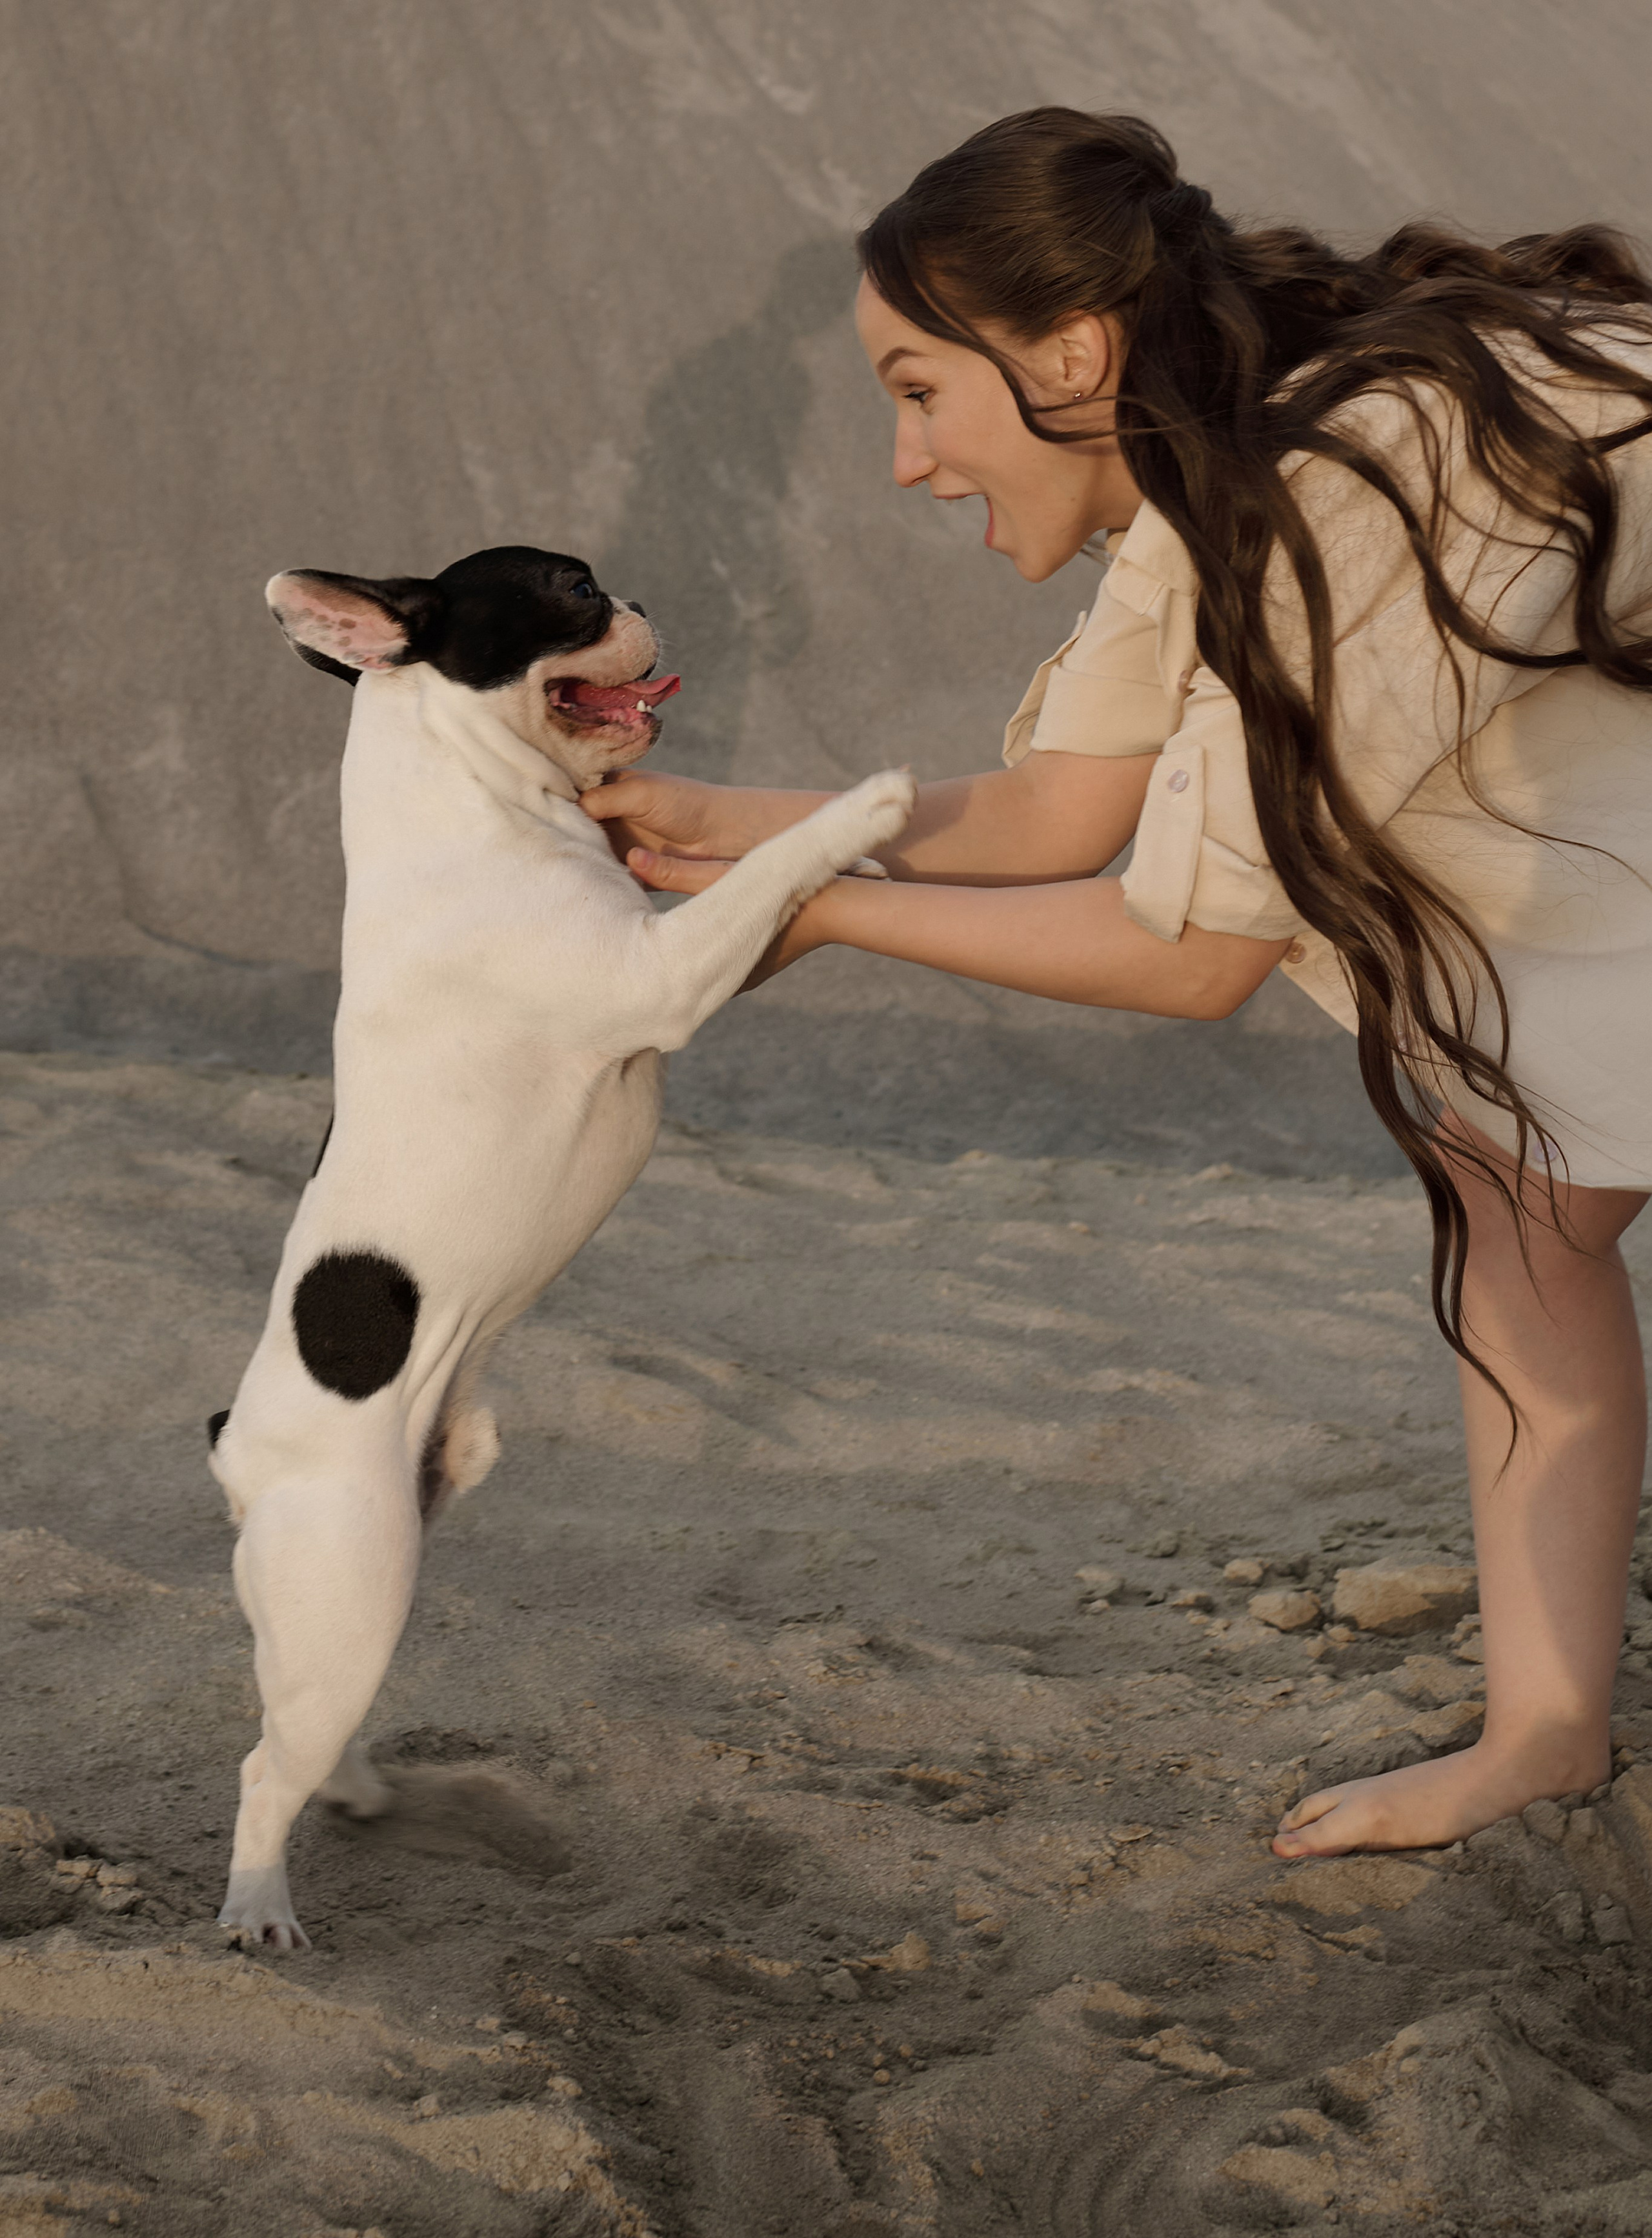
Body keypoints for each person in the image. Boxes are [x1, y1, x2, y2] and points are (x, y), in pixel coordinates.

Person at [583, 107, 1652, 1860]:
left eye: (921, 389)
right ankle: (1546, 1729)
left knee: (1517, 1174)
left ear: (1070, 353)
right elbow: (1059, 808)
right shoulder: (1211, 471)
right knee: (1515, 1194)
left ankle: (1545, 1720)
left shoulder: (1343, 487)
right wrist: (728, 827)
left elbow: (1195, 947)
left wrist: (829, 912)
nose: (906, 460)